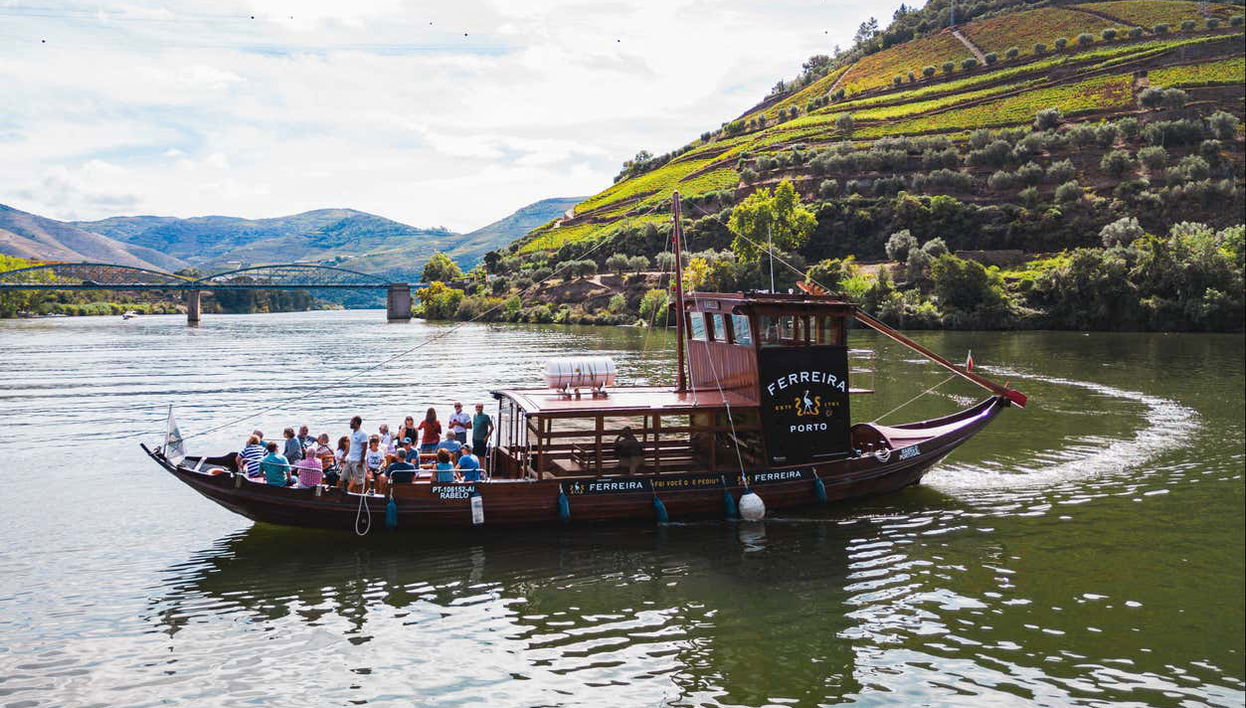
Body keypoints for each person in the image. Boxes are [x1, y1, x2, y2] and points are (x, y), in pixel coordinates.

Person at [342, 416, 368, 493]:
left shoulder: (363, 433)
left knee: (359, 481)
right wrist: (343, 456)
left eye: (351, 422)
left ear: (356, 423)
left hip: (357, 460)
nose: (350, 423)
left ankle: (359, 497)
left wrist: (361, 460)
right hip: (349, 460)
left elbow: (364, 448)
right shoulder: (353, 433)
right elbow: (350, 446)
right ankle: (344, 495)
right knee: (342, 478)